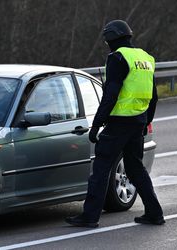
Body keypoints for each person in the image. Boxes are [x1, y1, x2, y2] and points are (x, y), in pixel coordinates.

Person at [65, 20, 165, 227]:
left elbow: (110, 95)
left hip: (119, 123)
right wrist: (147, 120)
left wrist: (96, 125)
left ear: (111, 38)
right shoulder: (146, 58)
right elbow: (153, 97)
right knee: (136, 168)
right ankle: (155, 212)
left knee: (101, 169)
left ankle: (89, 216)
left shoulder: (118, 58)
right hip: (138, 121)